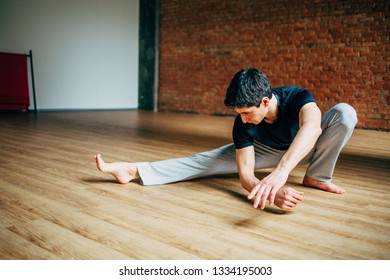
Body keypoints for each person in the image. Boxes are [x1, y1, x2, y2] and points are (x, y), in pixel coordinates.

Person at [94, 68, 357, 211]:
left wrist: (280, 173)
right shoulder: (242, 124)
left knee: (344, 113)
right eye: (238, 114)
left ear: (265, 101)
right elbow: (246, 177)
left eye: (246, 113)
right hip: (268, 150)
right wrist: (272, 192)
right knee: (204, 162)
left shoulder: (298, 97)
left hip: (305, 148)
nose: (242, 119)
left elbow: (312, 128)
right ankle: (133, 170)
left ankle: (317, 176)